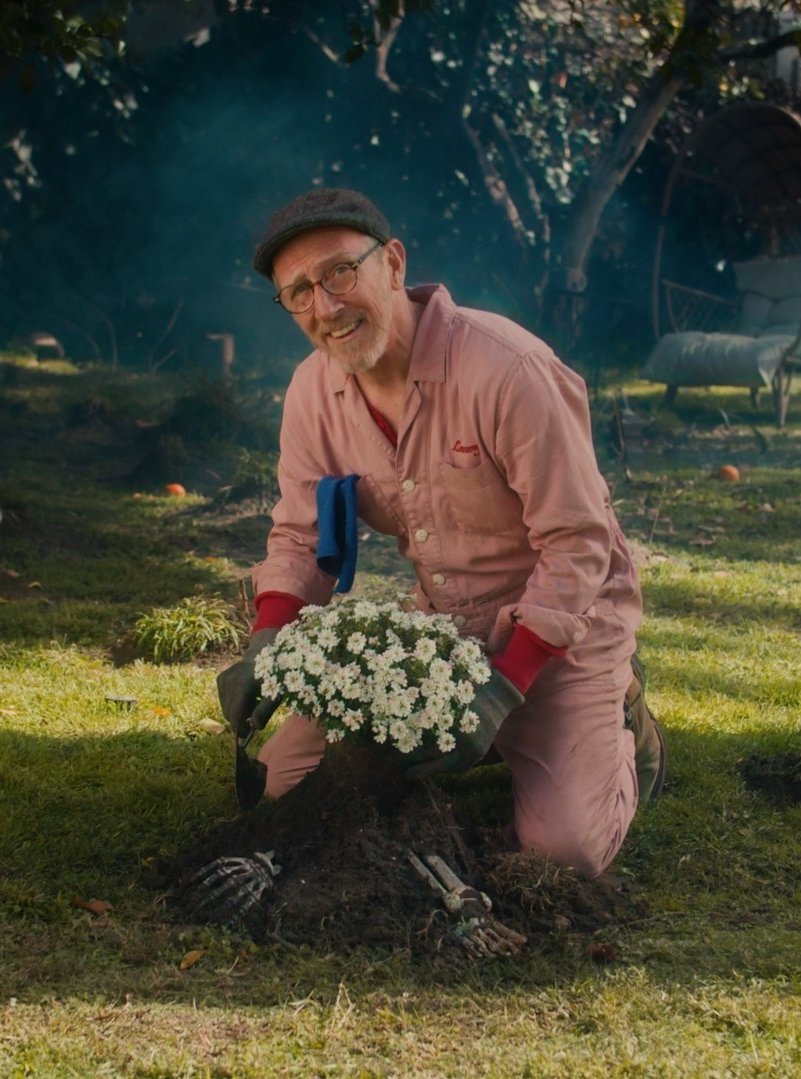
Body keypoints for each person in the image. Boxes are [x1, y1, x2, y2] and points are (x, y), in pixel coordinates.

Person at [217, 188, 663, 879]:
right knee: (281, 792)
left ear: (392, 264)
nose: (325, 307)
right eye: (299, 292)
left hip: (563, 623)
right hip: (438, 629)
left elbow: (577, 543)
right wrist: (267, 642)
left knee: (562, 852)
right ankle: (487, 732)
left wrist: (506, 682)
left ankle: (617, 711)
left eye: (340, 272)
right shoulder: (312, 392)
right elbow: (303, 536)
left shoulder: (505, 369)